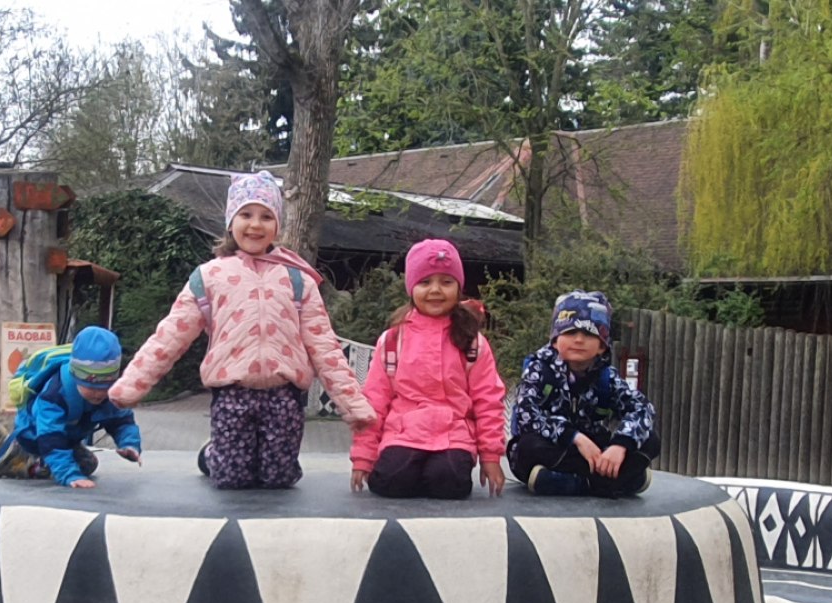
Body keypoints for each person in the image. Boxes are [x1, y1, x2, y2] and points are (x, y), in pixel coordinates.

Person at [107, 170, 372, 489]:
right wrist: (131, 387)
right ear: (231, 221)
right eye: (246, 214)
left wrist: (353, 406)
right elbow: (170, 336)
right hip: (232, 392)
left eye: (266, 216)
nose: (256, 225)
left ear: (277, 225)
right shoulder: (209, 277)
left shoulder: (297, 280)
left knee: (279, 478)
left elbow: (325, 347)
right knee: (232, 478)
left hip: (284, 395)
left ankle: (262, 457)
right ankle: (212, 454)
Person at [349, 239, 506, 499]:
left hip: (454, 435)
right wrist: (363, 456)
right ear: (411, 288)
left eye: (446, 282)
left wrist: (491, 456)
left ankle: (431, 473)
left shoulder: (472, 342)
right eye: (425, 282)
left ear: (458, 287)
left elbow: (488, 400)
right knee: (391, 481)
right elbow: (375, 400)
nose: (435, 290)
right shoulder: (393, 340)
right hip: (403, 433)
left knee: (450, 482)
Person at [507, 291, 659, 497]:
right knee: (527, 447)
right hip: (558, 449)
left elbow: (643, 408)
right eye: (570, 333)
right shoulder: (540, 370)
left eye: (588, 334)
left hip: (595, 452)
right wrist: (574, 437)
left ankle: (577, 483)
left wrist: (620, 445)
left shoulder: (607, 377)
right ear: (555, 340)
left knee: (651, 439)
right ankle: (613, 482)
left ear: (602, 346)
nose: (579, 340)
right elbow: (527, 416)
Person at [0, 325, 142, 489]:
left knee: (88, 464)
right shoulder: (55, 394)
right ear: (75, 375)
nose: (98, 393)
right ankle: (22, 458)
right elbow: (51, 438)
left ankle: (5, 444)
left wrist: (130, 444)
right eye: (91, 387)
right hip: (35, 435)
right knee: (61, 462)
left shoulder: (109, 395)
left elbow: (121, 421)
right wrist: (69, 475)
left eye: (105, 386)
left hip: (67, 437)